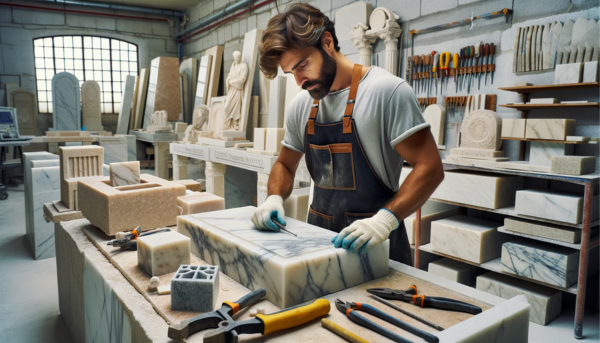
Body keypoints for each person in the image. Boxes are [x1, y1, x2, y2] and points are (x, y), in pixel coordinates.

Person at [252, 3, 444, 264]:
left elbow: (430, 167)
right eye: (291, 73)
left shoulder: (387, 92)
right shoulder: (301, 106)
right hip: (319, 251)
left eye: (302, 65)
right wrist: (273, 198)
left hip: (377, 250)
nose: (299, 82)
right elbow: (285, 164)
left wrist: (384, 221)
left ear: (327, 42)